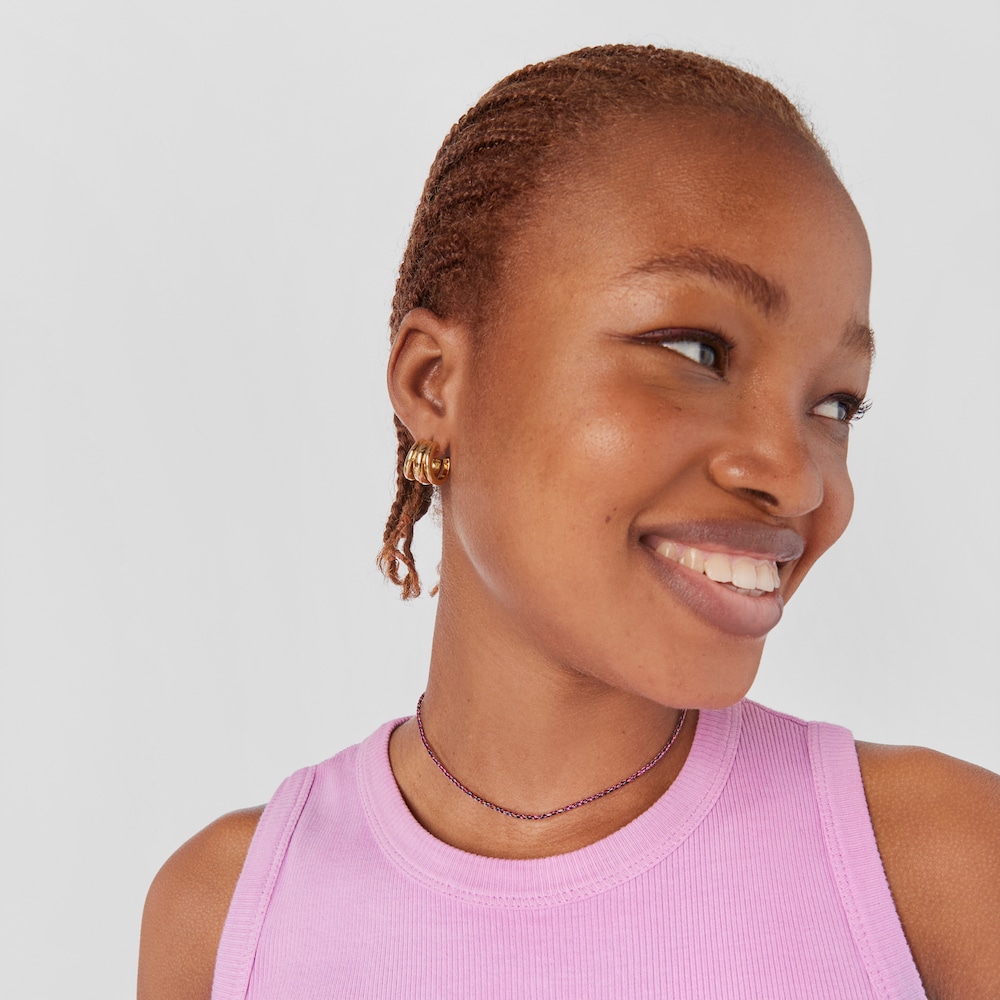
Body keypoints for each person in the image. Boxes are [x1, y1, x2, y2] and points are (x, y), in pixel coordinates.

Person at [137, 45, 1000, 999]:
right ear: (435, 384)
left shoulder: (938, 868)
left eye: (837, 403)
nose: (794, 477)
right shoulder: (227, 917)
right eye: (696, 348)